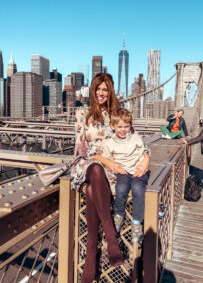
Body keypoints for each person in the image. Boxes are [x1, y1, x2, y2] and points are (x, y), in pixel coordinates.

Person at [71, 73, 150, 283]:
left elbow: (136, 141)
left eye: (105, 89)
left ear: (110, 91)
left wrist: (146, 158)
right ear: (92, 91)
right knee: (96, 169)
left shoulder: (117, 114)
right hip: (90, 164)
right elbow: (81, 149)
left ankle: (90, 260)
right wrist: (105, 161)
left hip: (111, 170)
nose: (101, 93)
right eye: (98, 89)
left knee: (91, 191)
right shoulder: (82, 113)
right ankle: (111, 239)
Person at [102, 108, 150, 242]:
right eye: (119, 127)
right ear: (113, 126)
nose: (123, 130)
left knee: (138, 189)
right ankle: (118, 215)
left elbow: (145, 151)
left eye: (126, 126)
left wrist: (144, 163)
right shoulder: (109, 143)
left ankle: (136, 222)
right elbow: (107, 158)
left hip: (138, 171)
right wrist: (113, 166)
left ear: (130, 126)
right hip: (122, 172)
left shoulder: (135, 138)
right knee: (121, 188)